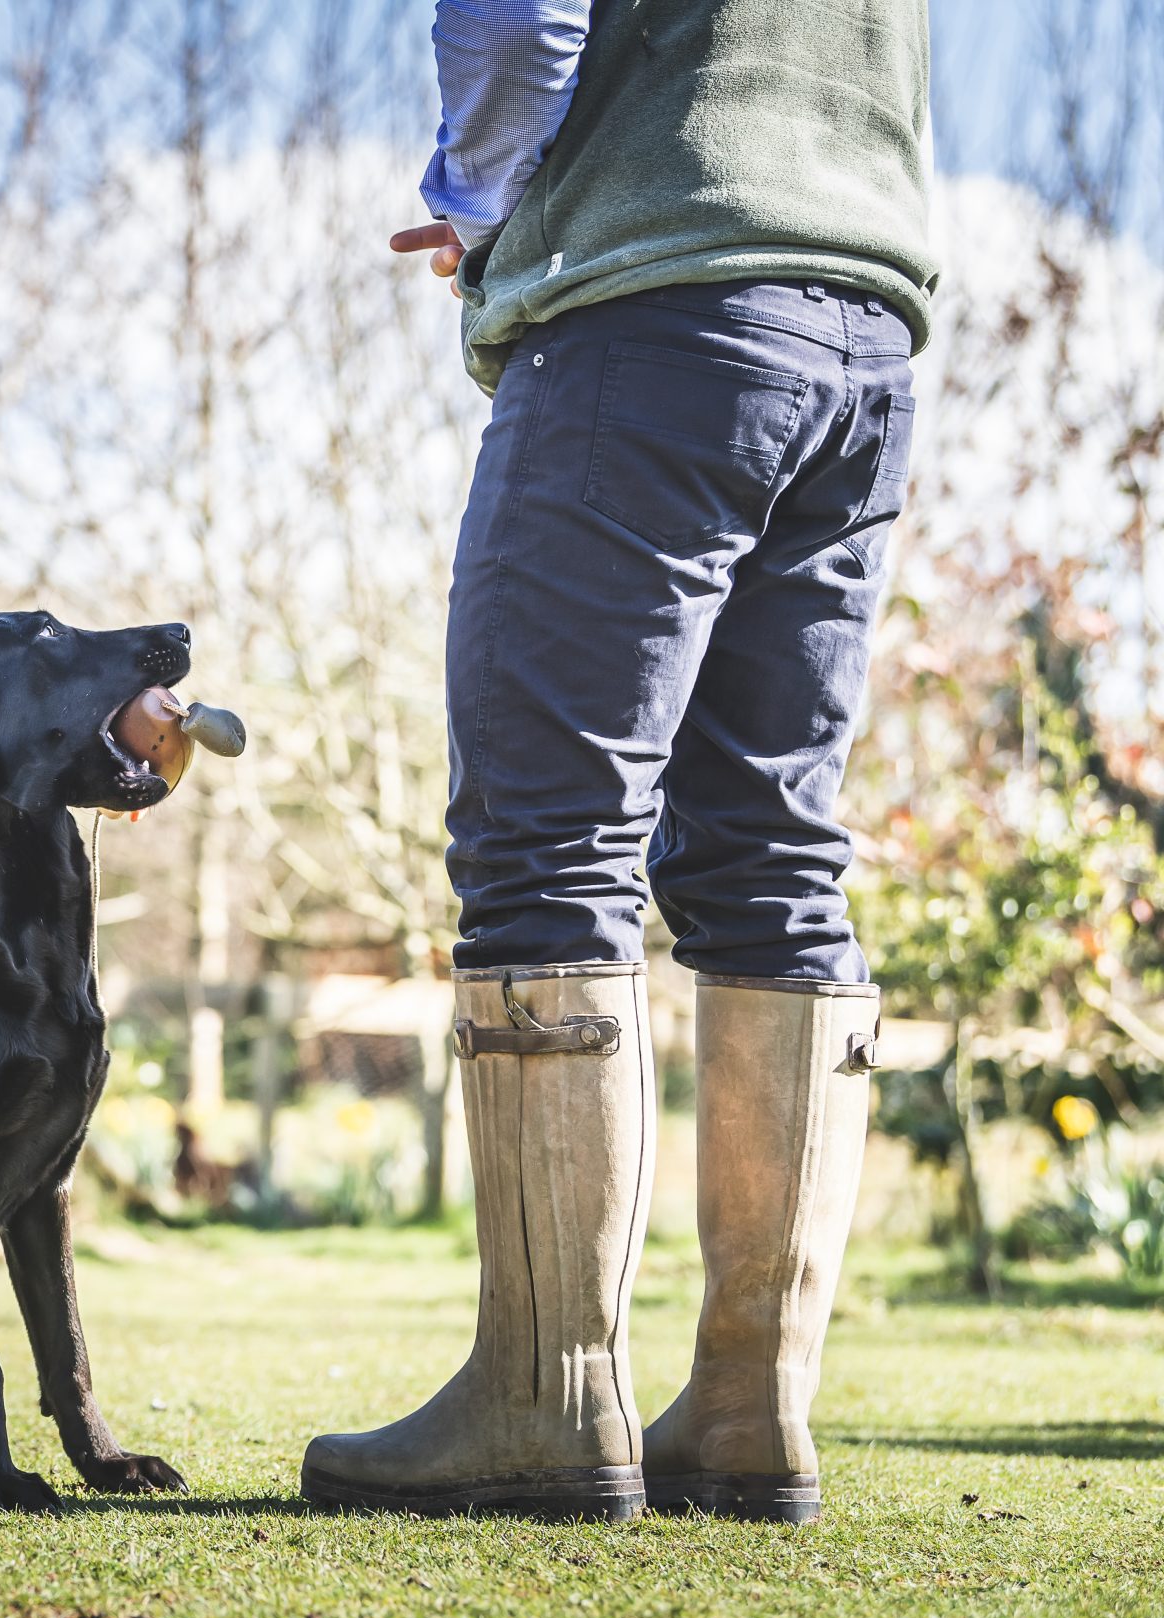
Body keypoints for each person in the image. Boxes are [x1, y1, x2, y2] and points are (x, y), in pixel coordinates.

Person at [298, 0, 937, 1524]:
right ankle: (748, 1408)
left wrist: (480, 197)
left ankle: (547, 1394)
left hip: (654, 305)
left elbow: (522, 15)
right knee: (773, 852)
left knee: (547, 836)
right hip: (864, 328)